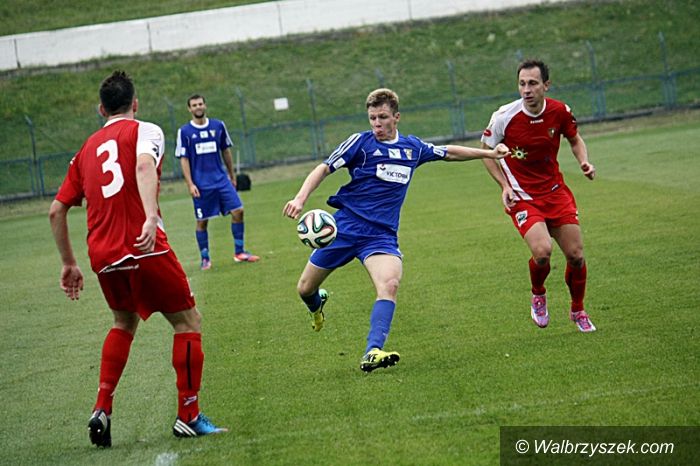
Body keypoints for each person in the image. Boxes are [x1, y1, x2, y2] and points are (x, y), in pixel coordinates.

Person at [48, 71, 226, 447]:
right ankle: (189, 415)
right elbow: (144, 166)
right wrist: (148, 217)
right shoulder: (145, 130)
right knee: (187, 321)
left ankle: (102, 407)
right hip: (144, 246)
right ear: (136, 103)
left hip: (103, 255)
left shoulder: (85, 151)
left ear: (101, 110)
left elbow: (56, 210)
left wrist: (68, 263)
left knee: (123, 322)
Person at [283, 88, 509, 372]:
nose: (376, 124)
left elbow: (448, 152)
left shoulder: (412, 148)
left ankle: (373, 351)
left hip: (380, 236)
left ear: (396, 117)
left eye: (382, 117)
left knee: (389, 285)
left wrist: (489, 152)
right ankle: (317, 306)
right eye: (372, 118)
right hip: (344, 228)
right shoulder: (360, 143)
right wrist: (300, 199)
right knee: (305, 288)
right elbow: (324, 168)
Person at [480, 59, 597, 333]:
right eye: (522, 84)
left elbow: (574, 138)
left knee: (576, 255)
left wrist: (584, 161)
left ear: (546, 85)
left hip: (555, 192)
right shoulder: (504, 116)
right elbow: (486, 151)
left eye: (532, 83)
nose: (526, 90)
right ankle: (538, 294)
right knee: (542, 252)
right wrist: (504, 186)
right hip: (522, 196)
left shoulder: (560, 111)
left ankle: (578, 310)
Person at [176, 94, 259, 269]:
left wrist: (232, 176)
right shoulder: (184, 132)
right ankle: (205, 258)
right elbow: (184, 159)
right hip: (201, 184)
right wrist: (190, 184)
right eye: (194, 105)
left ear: (205, 105)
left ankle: (239, 252)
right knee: (202, 221)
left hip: (221, 180)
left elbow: (226, 151)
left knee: (238, 211)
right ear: (189, 109)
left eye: (200, 104)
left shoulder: (218, 126)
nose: (198, 107)